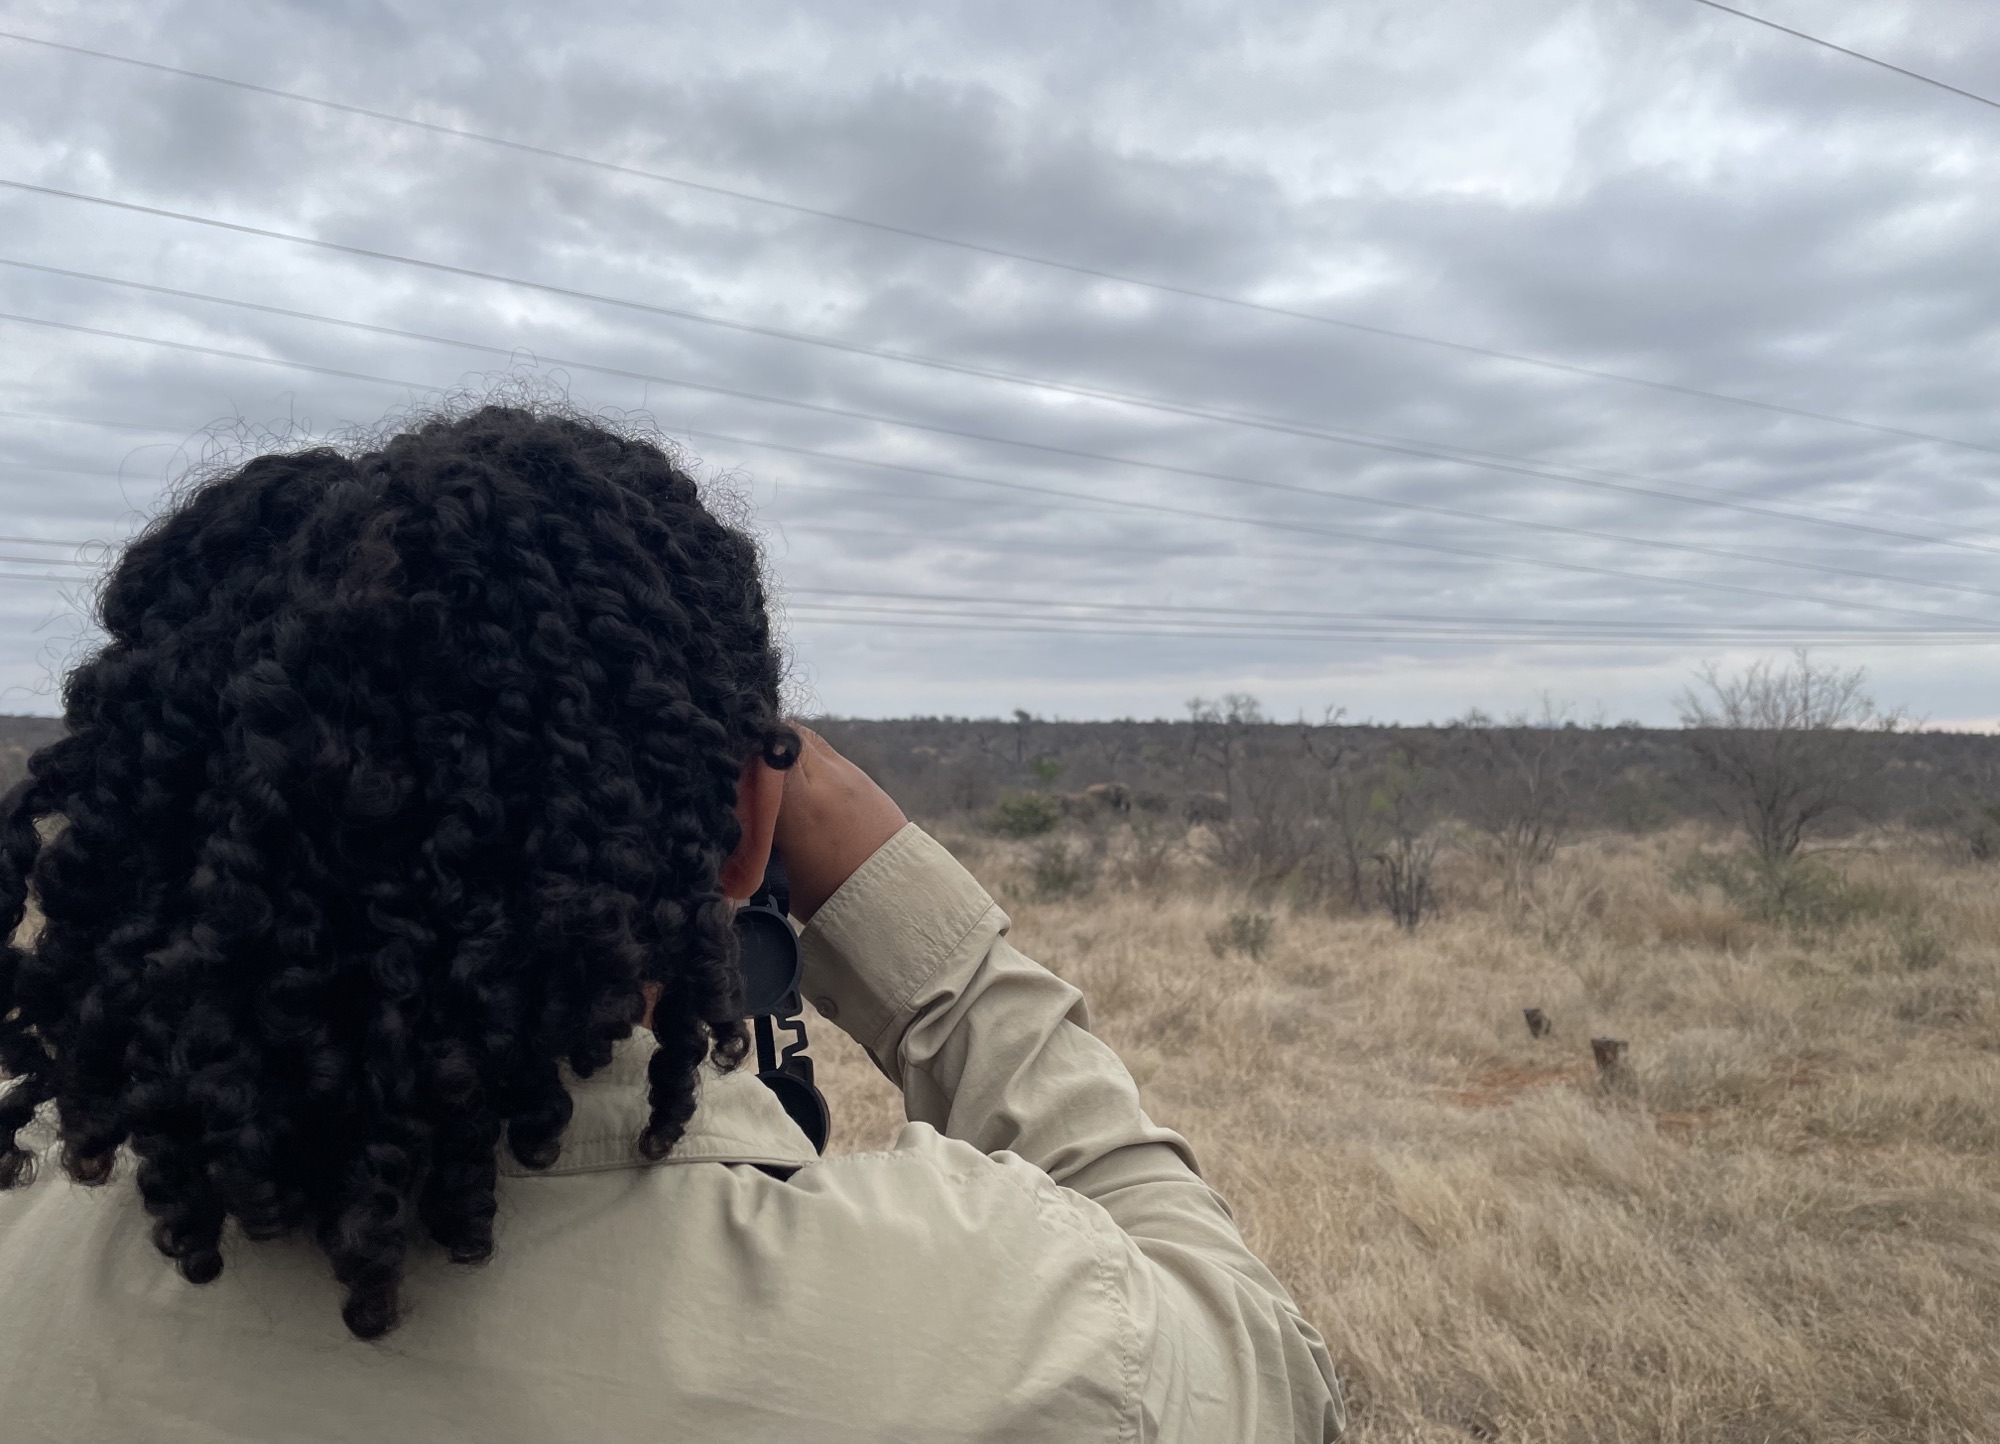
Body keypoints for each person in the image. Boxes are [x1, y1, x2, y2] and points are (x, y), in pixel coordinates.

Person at [0, 403, 1342, 1442]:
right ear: (744, 831)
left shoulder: (30, 1247)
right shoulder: (986, 1331)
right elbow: (1263, 1371)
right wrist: (932, 941)